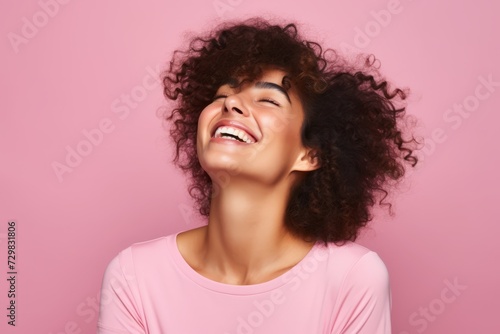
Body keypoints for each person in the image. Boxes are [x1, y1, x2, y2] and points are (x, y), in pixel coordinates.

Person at [97, 18, 418, 333]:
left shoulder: (352, 278)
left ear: (310, 154)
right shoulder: (134, 276)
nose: (232, 103)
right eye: (221, 95)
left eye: (268, 100)